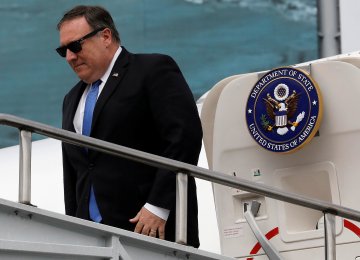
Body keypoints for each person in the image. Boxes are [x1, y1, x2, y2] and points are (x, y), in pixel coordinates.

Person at [57, 5, 202, 247]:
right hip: (91, 236)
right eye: (64, 51)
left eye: (75, 46)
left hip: (150, 228)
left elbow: (184, 138)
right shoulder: (71, 98)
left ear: (105, 36)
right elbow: (76, 171)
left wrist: (159, 206)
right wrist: (74, 226)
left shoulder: (152, 70)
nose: (70, 56)